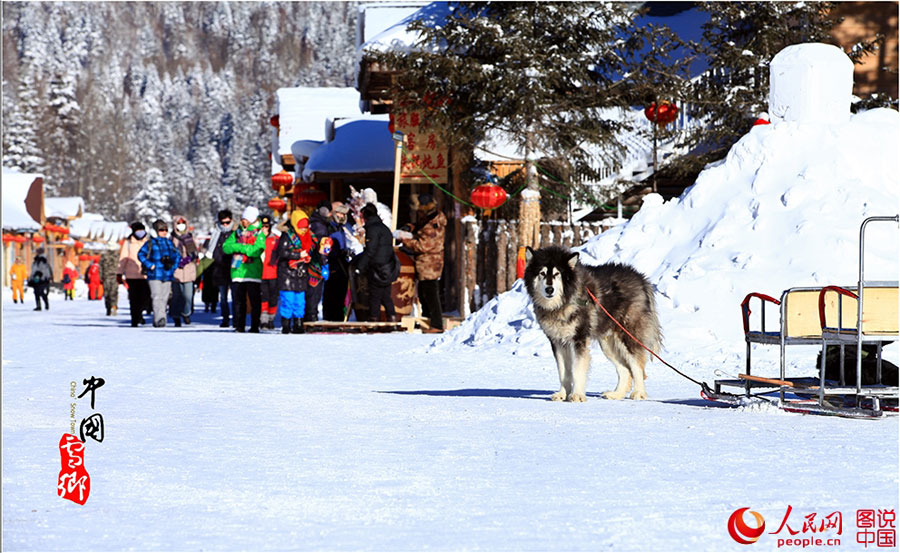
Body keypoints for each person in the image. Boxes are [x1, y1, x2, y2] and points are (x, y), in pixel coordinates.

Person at [396, 193, 447, 333]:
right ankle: (427, 320)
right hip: (427, 262)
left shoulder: (432, 225)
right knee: (424, 293)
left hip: (429, 263)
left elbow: (423, 245)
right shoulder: (431, 218)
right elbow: (419, 227)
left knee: (431, 293)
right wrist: (409, 227)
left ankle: (436, 324)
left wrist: (405, 240)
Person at [222, 206, 266, 333]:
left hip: (253, 272)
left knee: (254, 301)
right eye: (242, 219)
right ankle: (239, 325)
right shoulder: (237, 233)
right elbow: (226, 247)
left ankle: (254, 326)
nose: (243, 221)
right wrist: (243, 246)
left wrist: (239, 248)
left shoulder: (259, 233)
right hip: (237, 270)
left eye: (245, 219)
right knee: (238, 301)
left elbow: (256, 251)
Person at [271, 209, 313, 334]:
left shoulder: (309, 237)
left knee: (300, 301)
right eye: (302, 227)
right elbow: (282, 252)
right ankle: (286, 325)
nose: (304, 230)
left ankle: (298, 324)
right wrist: (298, 254)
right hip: (287, 274)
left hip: (301, 273)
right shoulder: (287, 236)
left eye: (306, 227)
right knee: (288, 300)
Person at [354, 202, 397, 322]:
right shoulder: (384, 228)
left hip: (378, 267)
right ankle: (392, 318)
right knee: (384, 295)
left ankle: (373, 320)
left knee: (375, 295)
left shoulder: (373, 229)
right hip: (388, 266)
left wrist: (360, 266)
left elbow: (370, 250)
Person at [138, 219, 181, 327]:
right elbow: (141, 255)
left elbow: (177, 256)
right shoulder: (150, 243)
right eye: (161, 230)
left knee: (165, 298)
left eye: (166, 229)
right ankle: (159, 319)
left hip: (167, 274)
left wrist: (173, 267)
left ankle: (161, 319)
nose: (164, 232)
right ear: (156, 231)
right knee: (156, 296)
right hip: (154, 275)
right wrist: (150, 265)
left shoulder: (169, 243)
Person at [322, 202, 354, 321]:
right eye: (339, 213)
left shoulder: (343, 228)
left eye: (343, 214)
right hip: (332, 262)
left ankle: (339, 317)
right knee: (331, 291)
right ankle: (329, 317)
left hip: (342, 262)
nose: (341, 216)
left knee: (341, 291)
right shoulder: (329, 227)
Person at [119, 222, 152, 326]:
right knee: (134, 298)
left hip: (145, 275)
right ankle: (135, 318)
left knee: (145, 298)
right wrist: (119, 273)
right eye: (138, 230)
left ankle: (140, 314)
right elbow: (123, 259)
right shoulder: (128, 243)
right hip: (131, 275)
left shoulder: (148, 242)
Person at [305, 200, 331, 322]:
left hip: (311, 262)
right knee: (314, 292)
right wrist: (324, 263)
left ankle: (310, 316)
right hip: (316, 263)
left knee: (312, 292)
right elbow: (322, 247)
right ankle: (311, 317)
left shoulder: (315, 222)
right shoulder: (320, 226)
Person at [171, 215, 198, 327]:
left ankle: (186, 313)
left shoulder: (190, 238)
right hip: (176, 271)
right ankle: (176, 317)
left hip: (188, 270)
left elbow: (194, 254)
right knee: (176, 296)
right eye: (179, 223)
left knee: (188, 296)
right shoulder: (172, 239)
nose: (181, 225)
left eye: (183, 223)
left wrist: (186, 260)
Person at [210, 209, 236, 328]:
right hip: (220, 269)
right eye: (223, 223)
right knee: (223, 297)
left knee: (236, 296)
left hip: (234, 268)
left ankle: (237, 318)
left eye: (227, 222)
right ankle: (225, 318)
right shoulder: (216, 233)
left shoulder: (236, 233)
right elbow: (211, 250)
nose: (225, 225)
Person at [259, 214, 280, 330]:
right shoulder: (257, 239)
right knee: (263, 298)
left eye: (267, 226)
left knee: (273, 298)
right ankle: (263, 320)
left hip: (273, 273)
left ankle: (271, 319)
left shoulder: (276, 239)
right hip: (260, 273)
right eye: (263, 226)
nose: (265, 229)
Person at [99, 247, 119, 316]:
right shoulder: (117, 256)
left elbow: (100, 267)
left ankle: (109, 308)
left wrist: (101, 277)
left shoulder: (104, 256)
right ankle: (113, 306)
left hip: (106, 276)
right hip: (114, 276)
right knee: (114, 292)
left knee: (107, 293)